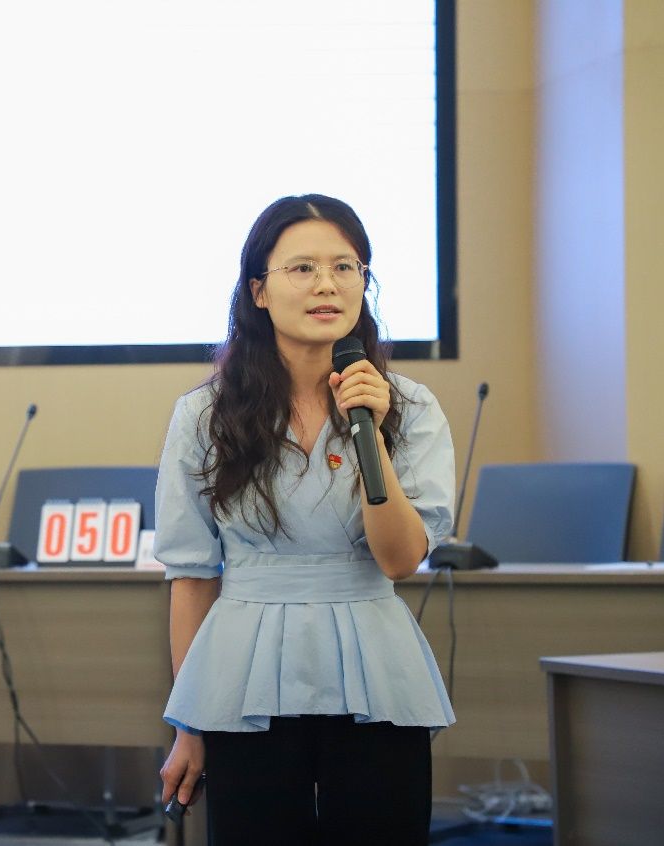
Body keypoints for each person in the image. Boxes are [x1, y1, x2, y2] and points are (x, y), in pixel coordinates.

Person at [155, 194, 455, 845]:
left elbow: (400, 559)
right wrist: (190, 723)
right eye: (302, 268)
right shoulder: (203, 416)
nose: (327, 284)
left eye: (345, 267)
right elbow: (192, 576)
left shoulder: (409, 407)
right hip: (242, 677)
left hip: (377, 670)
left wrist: (370, 434)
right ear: (258, 291)